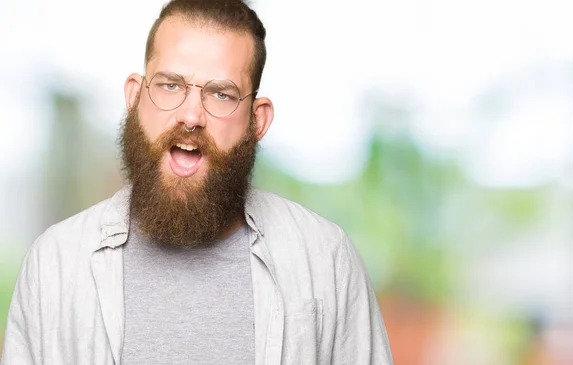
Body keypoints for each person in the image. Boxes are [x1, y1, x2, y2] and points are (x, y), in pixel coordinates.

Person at [0, 0, 393, 364]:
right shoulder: (54, 263)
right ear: (135, 97)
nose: (191, 116)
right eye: (170, 85)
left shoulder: (327, 262)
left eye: (221, 94)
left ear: (257, 120)